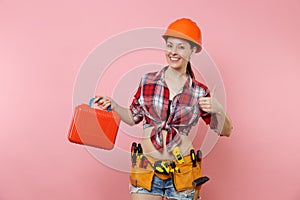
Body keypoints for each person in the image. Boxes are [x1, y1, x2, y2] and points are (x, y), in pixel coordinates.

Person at [93, 18, 233, 200]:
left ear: (192, 51)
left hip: (182, 173)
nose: (173, 52)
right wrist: (114, 105)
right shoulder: (148, 81)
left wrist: (218, 109)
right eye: (170, 45)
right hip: (147, 170)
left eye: (181, 47)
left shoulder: (200, 92)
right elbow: (132, 117)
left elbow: (225, 131)